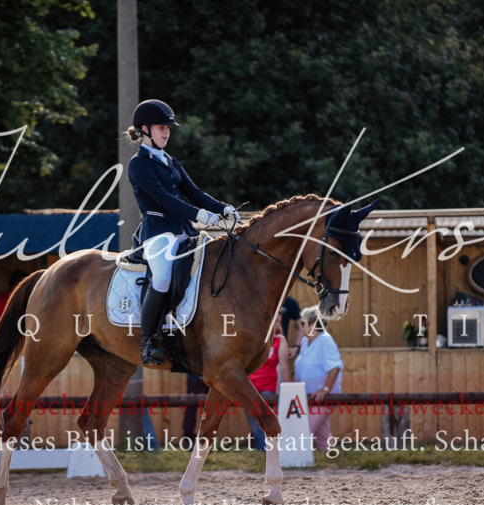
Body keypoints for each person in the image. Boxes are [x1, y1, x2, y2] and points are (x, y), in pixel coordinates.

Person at [126, 99, 239, 365]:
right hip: (157, 235)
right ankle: (146, 341)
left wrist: (222, 208)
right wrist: (200, 215)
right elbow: (163, 198)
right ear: (144, 129)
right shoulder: (138, 164)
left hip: (185, 232)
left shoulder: (171, 162)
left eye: (168, 127)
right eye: (160, 127)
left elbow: (194, 193)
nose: (166, 132)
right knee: (163, 277)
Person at [293, 306, 343, 451]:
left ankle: (294, 462)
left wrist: (325, 389)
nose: (300, 326)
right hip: (310, 398)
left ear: (313, 325)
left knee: (303, 429)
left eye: (303, 323)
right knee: (322, 435)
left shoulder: (325, 340)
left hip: (323, 398)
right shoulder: (305, 342)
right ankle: (332, 459)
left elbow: (335, 368)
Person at [245, 314, 291, 450]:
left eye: (279, 322)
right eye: (275, 321)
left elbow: (284, 366)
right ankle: (262, 452)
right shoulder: (253, 339)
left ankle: (266, 451)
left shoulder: (279, 340)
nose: (277, 325)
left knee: (264, 420)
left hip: (268, 387)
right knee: (254, 423)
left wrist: (290, 388)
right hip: (249, 387)